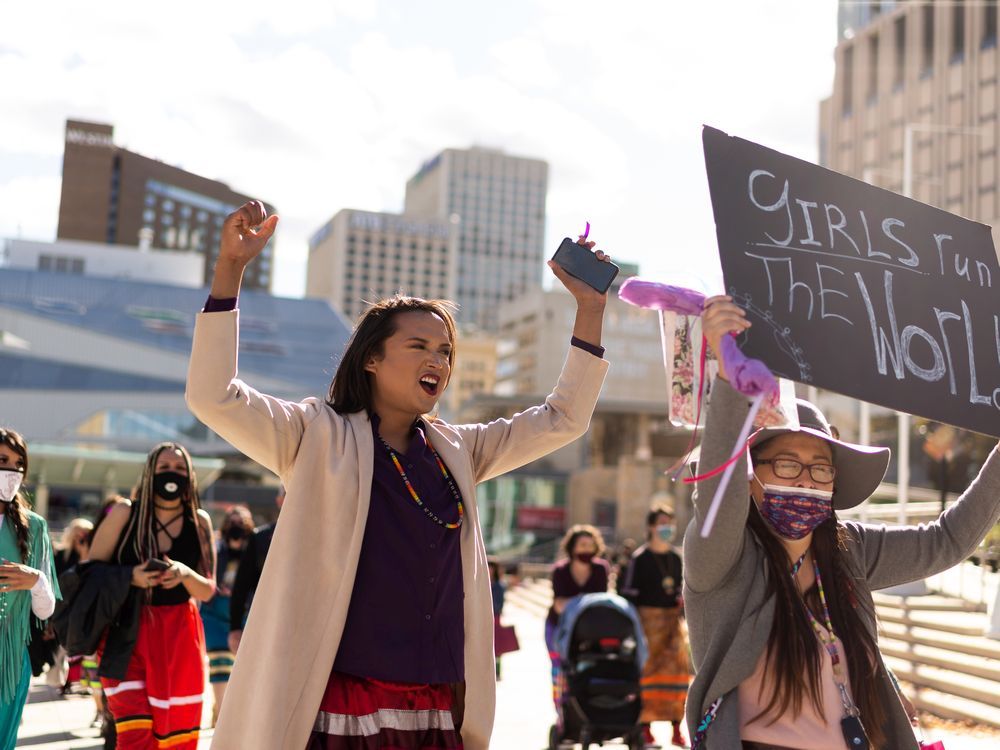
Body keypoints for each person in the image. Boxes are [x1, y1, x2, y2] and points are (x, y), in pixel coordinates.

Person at [185, 200, 611, 750]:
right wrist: (230, 272)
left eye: (445, 350)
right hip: (339, 705)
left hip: (436, 703)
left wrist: (590, 309)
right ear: (371, 359)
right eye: (418, 346)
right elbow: (212, 396)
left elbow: (562, 419)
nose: (438, 360)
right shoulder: (316, 434)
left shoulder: (458, 449)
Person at [683, 296, 1000, 749]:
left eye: (821, 468)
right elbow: (715, 497)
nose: (807, 479)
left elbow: (947, 541)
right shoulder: (725, 563)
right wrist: (728, 372)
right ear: (752, 478)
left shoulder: (850, 551)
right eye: (787, 465)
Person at [87, 443, 216, 750]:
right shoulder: (124, 514)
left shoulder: (199, 522)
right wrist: (132, 576)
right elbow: (88, 572)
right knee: (134, 737)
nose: (172, 475)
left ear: (191, 476)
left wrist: (184, 573)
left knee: (177, 738)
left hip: (180, 637)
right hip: (125, 634)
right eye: (164, 468)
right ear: (149, 474)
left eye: (180, 469)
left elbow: (208, 589)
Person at [0, 427, 60, 750]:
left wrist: (36, 579)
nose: (11, 470)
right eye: (2, 460)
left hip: (10, 663)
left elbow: (45, 610)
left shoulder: (34, 526)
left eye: (18, 463)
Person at [619, 504, 689, 748]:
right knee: (647, 675)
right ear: (651, 526)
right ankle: (645, 728)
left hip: (671, 622)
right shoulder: (640, 558)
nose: (666, 527)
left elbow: (681, 587)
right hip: (647, 624)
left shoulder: (675, 557)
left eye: (669, 522)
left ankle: (677, 728)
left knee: (678, 675)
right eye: (661, 522)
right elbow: (628, 593)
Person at [545, 524, 611, 708]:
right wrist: (585, 601)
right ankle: (562, 712)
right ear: (573, 547)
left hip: (588, 629)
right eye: (582, 544)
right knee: (560, 671)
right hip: (559, 627)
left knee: (588, 667)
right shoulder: (560, 570)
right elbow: (558, 605)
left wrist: (573, 602)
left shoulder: (600, 569)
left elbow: (601, 599)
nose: (587, 549)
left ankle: (587, 707)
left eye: (590, 545)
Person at [200, 505, 253, 725]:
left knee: (242, 665)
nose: (236, 524)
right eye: (231, 519)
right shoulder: (217, 547)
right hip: (215, 611)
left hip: (244, 611)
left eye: (240, 520)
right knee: (219, 663)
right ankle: (221, 711)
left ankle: (230, 711)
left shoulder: (256, 547)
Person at [228, 485, 285, 655]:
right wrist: (235, 627)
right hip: (266, 620)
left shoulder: (320, 536)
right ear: (279, 500)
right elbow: (242, 585)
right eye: (288, 492)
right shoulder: (260, 538)